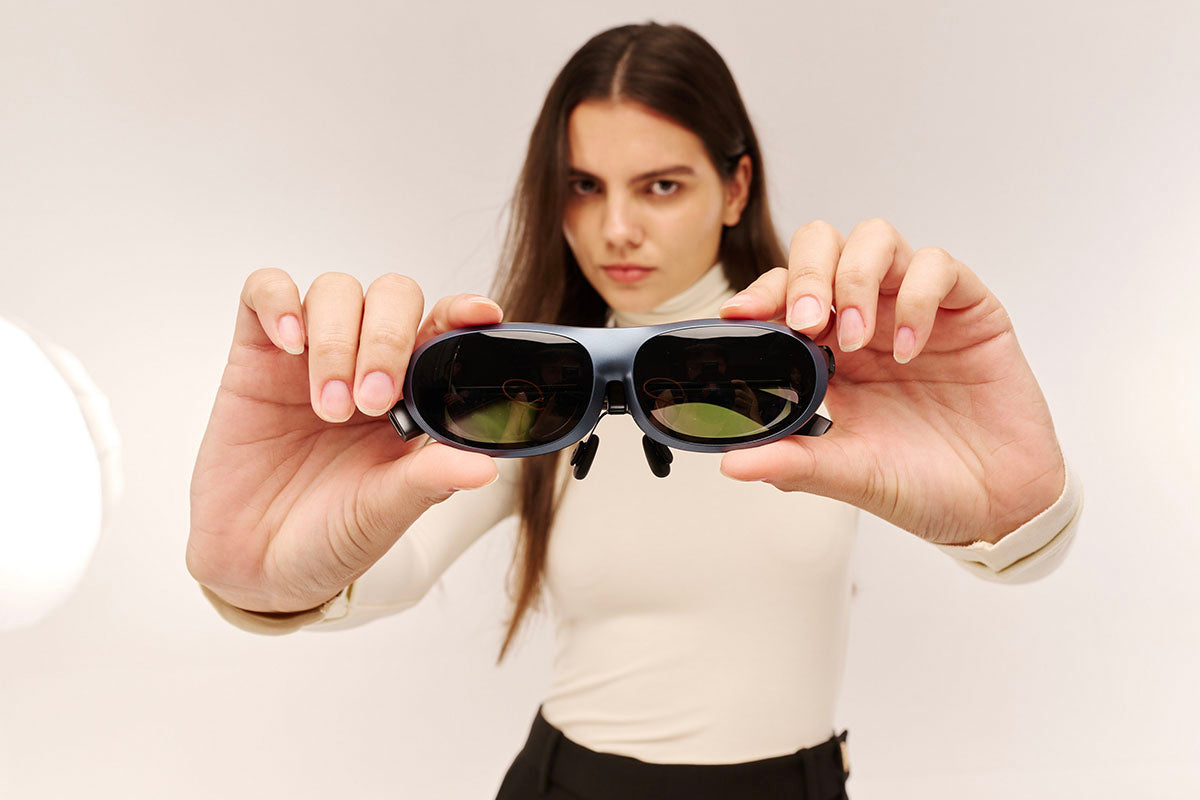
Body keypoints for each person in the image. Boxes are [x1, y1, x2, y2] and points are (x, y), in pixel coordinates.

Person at [186, 21, 1084, 799]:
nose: (616, 228)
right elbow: (394, 563)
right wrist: (261, 578)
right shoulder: (531, 390)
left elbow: (1018, 531)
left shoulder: (838, 374)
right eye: (584, 185)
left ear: (735, 188)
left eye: (660, 185)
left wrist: (1020, 512)